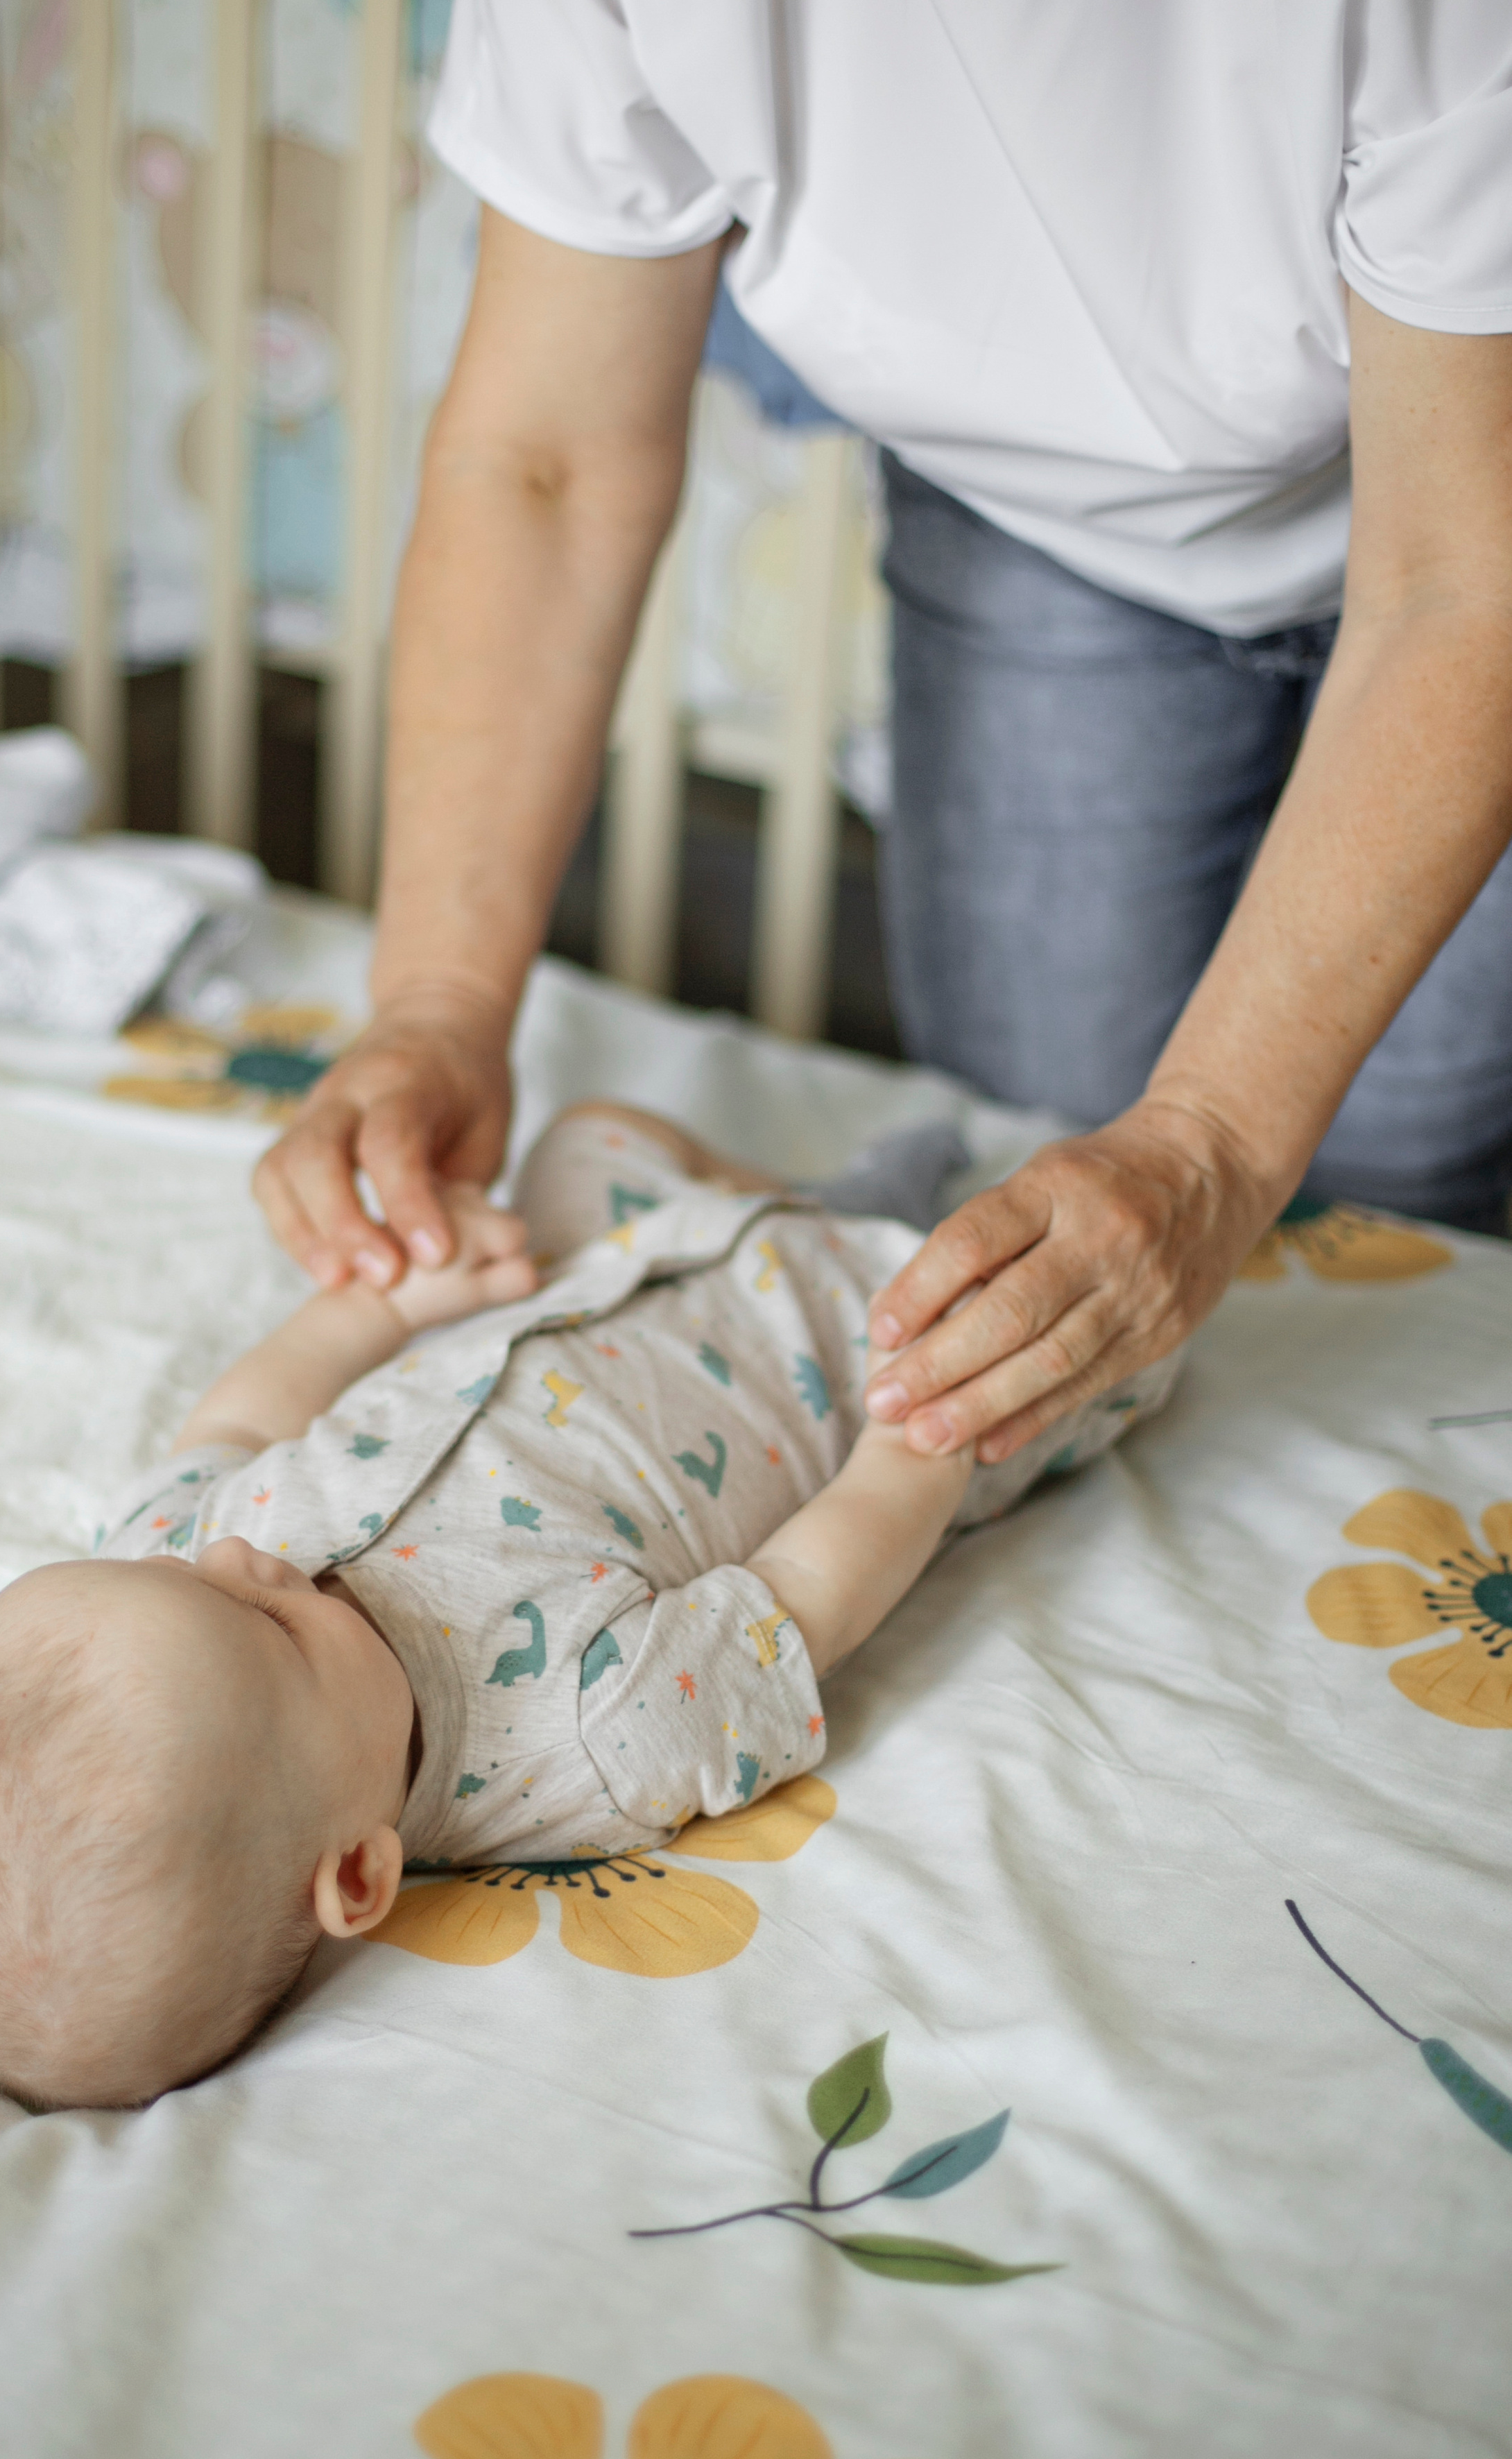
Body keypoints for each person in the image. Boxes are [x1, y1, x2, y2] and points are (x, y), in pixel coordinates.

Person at [253, 2, 1512, 1484]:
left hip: (1470, 531)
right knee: (1031, 1160)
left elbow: (1456, 584)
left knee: (1398, 1179)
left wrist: (1215, 1145)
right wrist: (437, 1003)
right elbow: (542, 461)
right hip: (1044, 529)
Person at [0, 1104, 1177, 2108]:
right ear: (360, 1872)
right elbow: (806, 1593)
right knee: (1118, 1340)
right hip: (863, 1350)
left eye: (164, 1566)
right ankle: (893, 1219)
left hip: (628, 1251)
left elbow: (241, 1420)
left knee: (584, 1137)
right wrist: (928, 1435)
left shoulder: (176, 1573)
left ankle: (820, 1196)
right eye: (268, 1625)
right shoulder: (587, 1737)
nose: (241, 1558)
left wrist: (386, 1303)